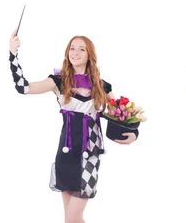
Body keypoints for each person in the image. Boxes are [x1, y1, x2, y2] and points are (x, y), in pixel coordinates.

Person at [8, 31, 138, 223]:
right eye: (72, 48)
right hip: (66, 153)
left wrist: (134, 133)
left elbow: (122, 113)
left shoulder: (102, 86)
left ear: (89, 55)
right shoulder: (58, 81)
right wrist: (13, 54)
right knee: (71, 219)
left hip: (89, 154)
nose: (75, 52)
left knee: (73, 216)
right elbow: (23, 87)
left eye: (81, 49)